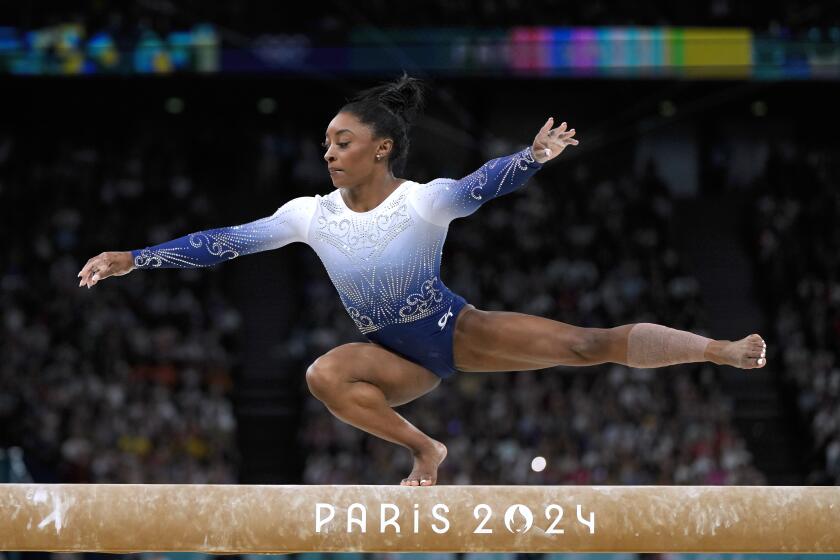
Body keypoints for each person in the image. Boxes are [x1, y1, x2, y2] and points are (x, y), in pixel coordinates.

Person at [78, 75, 767, 486]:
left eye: (341, 142)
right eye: (324, 144)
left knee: (589, 344)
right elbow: (223, 243)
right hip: (390, 357)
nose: (329, 153)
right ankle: (425, 450)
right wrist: (136, 258)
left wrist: (530, 157)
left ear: (381, 147)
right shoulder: (307, 215)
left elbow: (477, 186)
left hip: (449, 330)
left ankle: (722, 350)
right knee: (324, 375)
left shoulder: (422, 200)